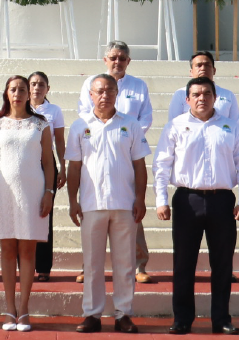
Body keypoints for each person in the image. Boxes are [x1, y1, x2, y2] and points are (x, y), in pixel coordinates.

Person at [154, 77, 239, 335]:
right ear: (187, 99)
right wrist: (161, 200)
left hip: (222, 201)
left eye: (207, 93)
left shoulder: (230, 127)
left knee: (222, 264)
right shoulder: (175, 126)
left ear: (215, 97)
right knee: (183, 263)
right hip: (187, 200)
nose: (201, 98)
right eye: (196, 94)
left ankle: (221, 318)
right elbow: (162, 165)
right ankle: (182, 319)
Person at [66, 73, 150, 334]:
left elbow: (139, 165)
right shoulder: (80, 126)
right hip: (91, 204)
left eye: (110, 91)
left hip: (124, 204)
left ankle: (123, 314)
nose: (105, 96)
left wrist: (141, 199)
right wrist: (72, 200)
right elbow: (74, 167)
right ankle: (92, 314)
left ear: (117, 94)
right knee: (92, 264)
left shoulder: (131, 125)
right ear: (90, 94)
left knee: (125, 263)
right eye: (99, 91)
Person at [0, 76, 56, 332]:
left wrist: (49, 192)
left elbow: (48, 162)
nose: (17, 93)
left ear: (29, 94)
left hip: (33, 192)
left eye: (22, 89)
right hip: (2, 192)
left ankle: (24, 309)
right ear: (6, 93)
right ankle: (9, 309)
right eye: (13, 89)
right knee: (7, 250)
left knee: (27, 250)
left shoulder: (40, 124)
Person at [78, 41, 154, 284]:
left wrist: (128, 138)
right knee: (93, 211)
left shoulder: (139, 85)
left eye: (122, 58)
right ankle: (87, 265)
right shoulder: (91, 83)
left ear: (128, 61)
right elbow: (84, 114)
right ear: (105, 60)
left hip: (128, 150)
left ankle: (139, 264)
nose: (117, 62)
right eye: (113, 57)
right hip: (96, 149)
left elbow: (145, 117)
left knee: (131, 207)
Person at [28, 71, 66, 282]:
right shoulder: (19, 108)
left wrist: (63, 167)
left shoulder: (54, 111)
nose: (37, 88)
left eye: (41, 84)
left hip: (46, 163)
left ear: (47, 89)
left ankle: (43, 268)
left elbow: (59, 141)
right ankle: (24, 266)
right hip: (23, 163)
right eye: (33, 84)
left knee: (44, 215)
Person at [167, 51, 239, 122]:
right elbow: (174, 124)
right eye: (198, 65)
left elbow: (235, 126)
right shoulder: (180, 94)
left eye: (207, 65)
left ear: (214, 70)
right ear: (191, 72)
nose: (203, 68)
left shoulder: (228, 95)